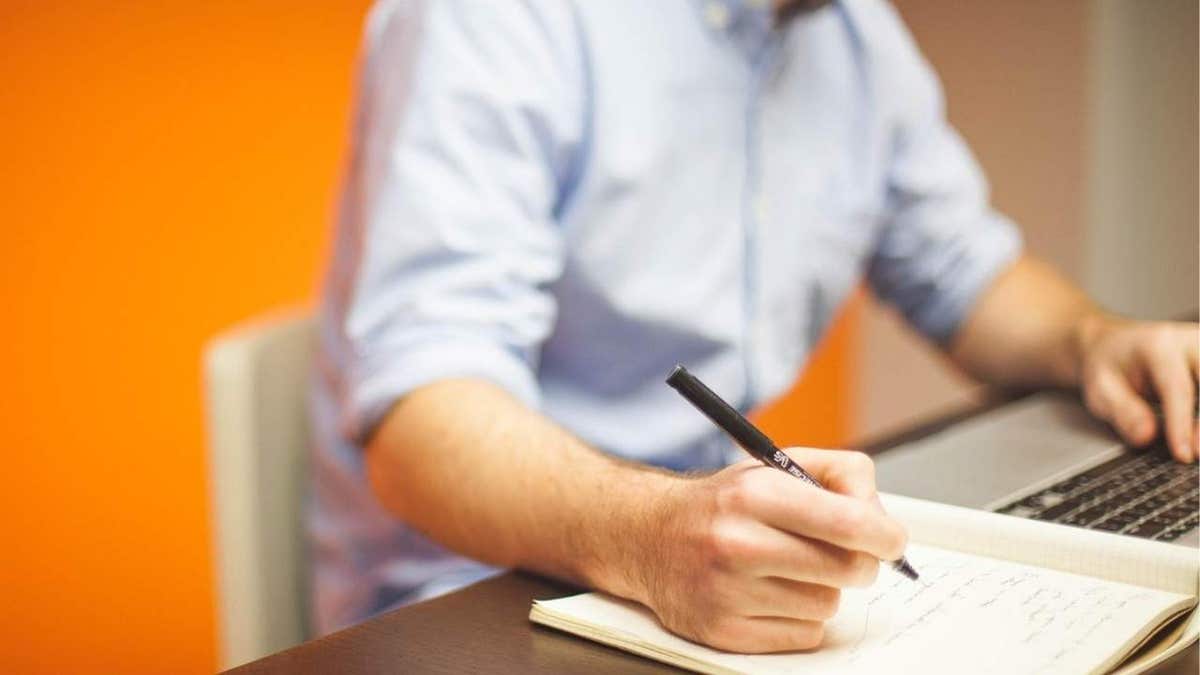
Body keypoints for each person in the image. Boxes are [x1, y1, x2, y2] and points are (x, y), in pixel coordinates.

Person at [310, 0, 1200, 652]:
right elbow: (419, 421)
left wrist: (1094, 340)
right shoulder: (498, 22)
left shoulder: (854, 39)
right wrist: (650, 538)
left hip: (715, 572)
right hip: (477, 601)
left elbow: (964, 272)